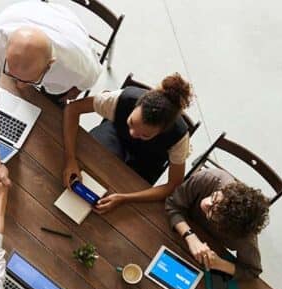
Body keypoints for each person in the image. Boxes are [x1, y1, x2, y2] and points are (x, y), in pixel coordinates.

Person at [0, 1, 103, 184]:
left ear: (50, 64)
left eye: (26, 80)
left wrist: (74, 90)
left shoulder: (78, 67)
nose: (18, 85)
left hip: (66, 27)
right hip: (30, 12)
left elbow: (89, 79)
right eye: (12, 74)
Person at [63, 73, 195, 213]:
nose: (133, 133)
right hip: (115, 135)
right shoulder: (121, 99)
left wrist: (125, 198)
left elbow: (173, 184)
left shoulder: (178, 138)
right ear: (136, 105)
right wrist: (70, 159)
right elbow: (72, 109)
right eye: (131, 122)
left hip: (148, 160)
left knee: (124, 196)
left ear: (162, 131)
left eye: (145, 134)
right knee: (89, 163)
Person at [164, 167, 270, 280]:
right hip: (175, 231)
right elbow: (172, 205)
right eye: (214, 198)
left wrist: (219, 263)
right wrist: (190, 237)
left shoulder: (244, 235)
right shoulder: (209, 178)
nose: (206, 203)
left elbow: (252, 271)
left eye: (212, 212)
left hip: (205, 257)